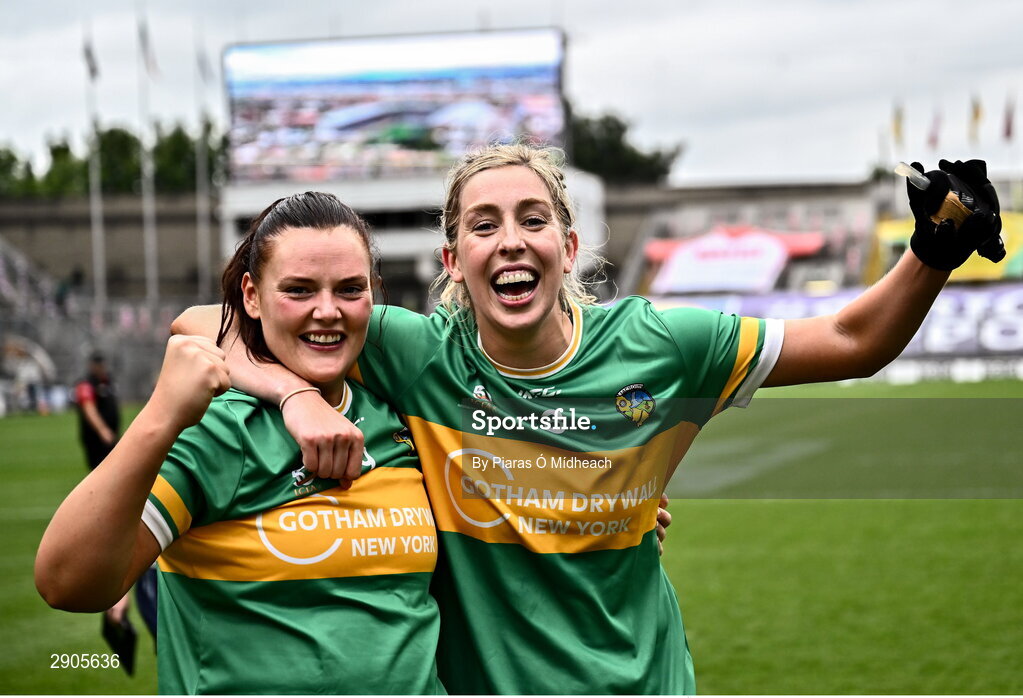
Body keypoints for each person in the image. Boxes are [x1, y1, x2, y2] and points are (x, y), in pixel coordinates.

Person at [174, 149, 1003, 694]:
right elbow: (204, 323)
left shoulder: (662, 346)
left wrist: (931, 251)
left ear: (568, 247)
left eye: (532, 220)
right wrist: (295, 394)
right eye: (483, 225)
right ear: (450, 260)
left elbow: (854, 341)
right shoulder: (413, 352)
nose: (510, 241)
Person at [36, 193, 444, 694]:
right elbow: (66, 582)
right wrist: (160, 417)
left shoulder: (393, 409)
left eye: (349, 289)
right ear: (250, 296)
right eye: (298, 290)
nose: (327, 311)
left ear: (373, 295)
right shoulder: (220, 429)